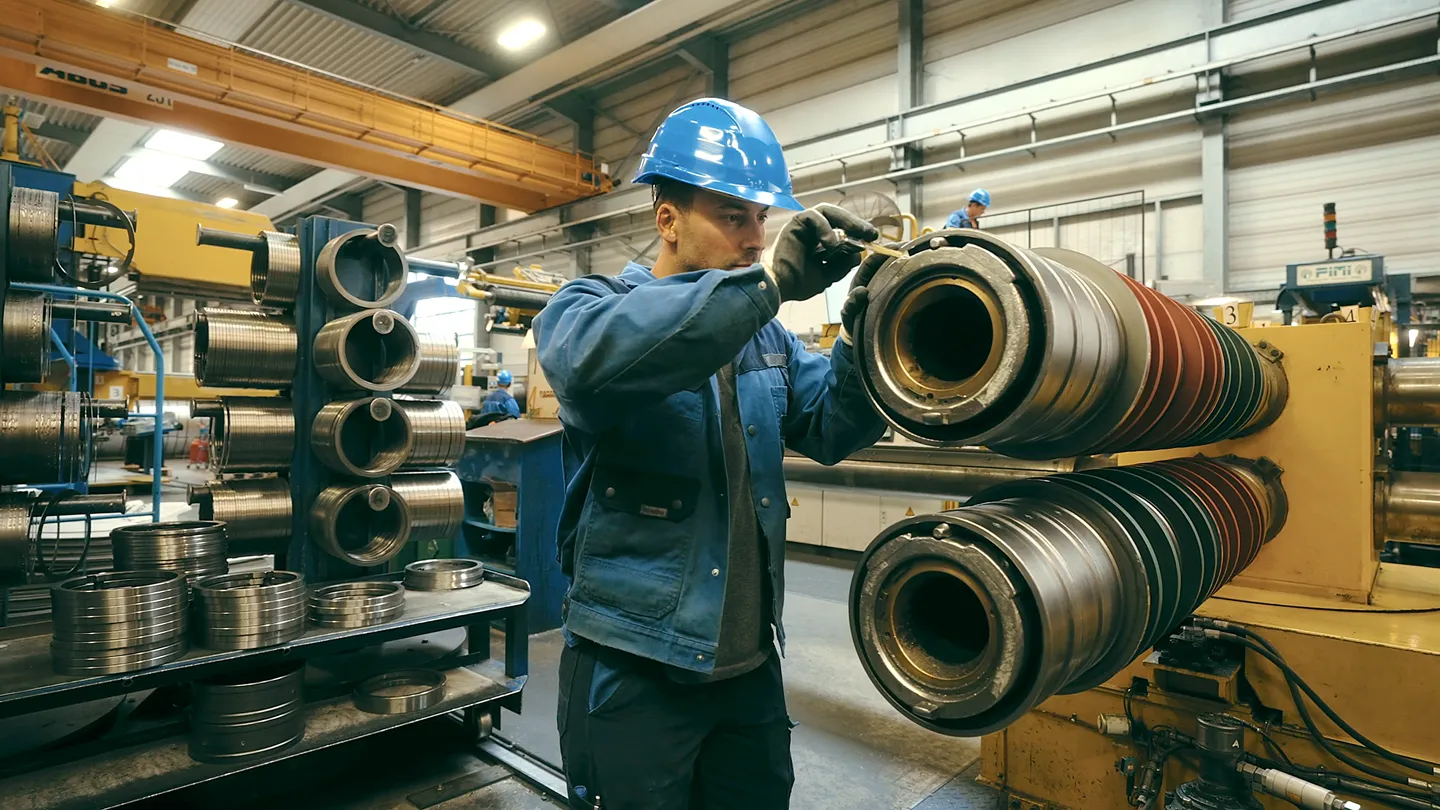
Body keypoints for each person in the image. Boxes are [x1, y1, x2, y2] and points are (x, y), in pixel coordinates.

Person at [532, 97, 889, 809]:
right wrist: (772, 287)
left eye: (761, 218)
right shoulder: (587, 311)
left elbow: (832, 427)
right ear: (667, 219)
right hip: (637, 666)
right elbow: (599, 363)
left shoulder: (766, 339)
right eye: (734, 217)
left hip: (748, 666)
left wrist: (868, 325)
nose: (756, 238)